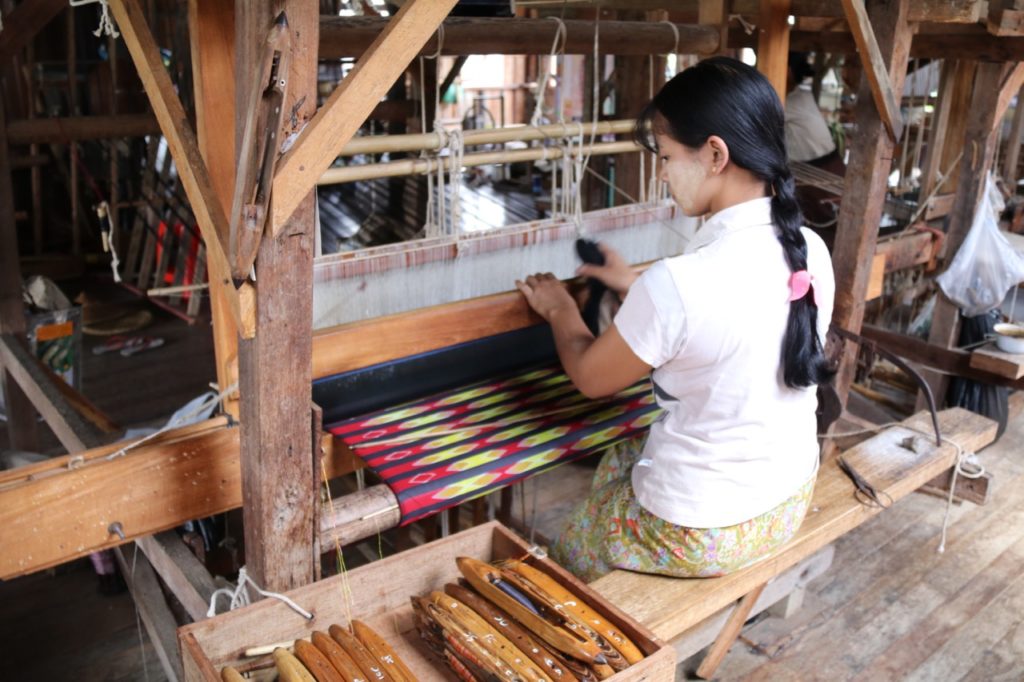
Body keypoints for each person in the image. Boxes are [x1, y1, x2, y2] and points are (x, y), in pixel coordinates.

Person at [515, 57, 836, 583]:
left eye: (665, 157)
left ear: (715, 154)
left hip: (704, 532)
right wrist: (633, 286)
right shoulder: (810, 251)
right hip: (785, 496)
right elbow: (728, 315)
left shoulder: (679, 284)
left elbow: (591, 378)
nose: (661, 173)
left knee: (569, 555)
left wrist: (560, 309)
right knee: (621, 459)